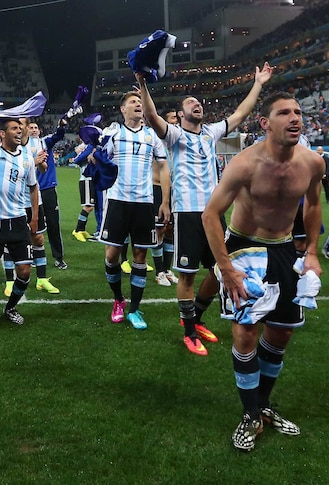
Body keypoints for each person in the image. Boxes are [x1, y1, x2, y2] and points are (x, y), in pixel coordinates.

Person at [201, 92, 325, 451]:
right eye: (284, 112)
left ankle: (264, 405)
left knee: (282, 334)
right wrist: (225, 267)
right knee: (245, 335)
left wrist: (313, 251)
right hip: (244, 247)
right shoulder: (244, 164)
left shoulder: (313, 162)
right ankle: (249, 413)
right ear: (265, 123)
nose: (294, 118)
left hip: (285, 249)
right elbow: (210, 215)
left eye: (298, 112)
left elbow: (314, 205)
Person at [137, 62, 273, 356]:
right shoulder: (173, 135)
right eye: (190, 102)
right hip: (188, 214)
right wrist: (143, 84)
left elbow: (240, 114)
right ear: (181, 112)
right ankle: (188, 332)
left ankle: (196, 318)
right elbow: (151, 115)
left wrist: (258, 83)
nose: (196, 104)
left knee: (220, 270)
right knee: (186, 276)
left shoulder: (210, 133)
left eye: (198, 102)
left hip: (215, 214)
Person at [96, 91, 170, 329]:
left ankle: (135, 310)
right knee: (111, 256)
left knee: (140, 256)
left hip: (144, 203)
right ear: (122, 109)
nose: (138, 105)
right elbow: (95, 158)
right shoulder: (113, 132)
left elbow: (164, 167)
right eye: (133, 102)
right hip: (117, 200)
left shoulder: (152, 136)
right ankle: (118, 299)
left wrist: (165, 201)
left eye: (140, 102)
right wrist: (93, 156)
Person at [0, 118, 44, 326]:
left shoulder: (27, 159)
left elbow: (33, 187)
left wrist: (34, 218)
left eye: (20, 128)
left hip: (18, 222)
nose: (19, 130)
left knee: (24, 271)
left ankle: (10, 307)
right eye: (14, 128)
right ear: (2, 134)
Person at [26, 119, 68, 271]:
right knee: (31, 225)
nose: (34, 130)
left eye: (36, 127)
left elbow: (58, 135)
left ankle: (59, 257)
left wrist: (62, 125)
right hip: (30, 191)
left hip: (47, 189)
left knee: (53, 224)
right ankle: (30, 255)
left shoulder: (44, 142)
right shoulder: (22, 146)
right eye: (31, 127)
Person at [153, 109, 179, 287]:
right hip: (158, 189)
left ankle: (167, 270)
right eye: (172, 118)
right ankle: (159, 271)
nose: (175, 121)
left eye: (177, 118)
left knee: (171, 231)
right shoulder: (158, 140)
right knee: (159, 231)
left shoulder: (180, 140)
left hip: (176, 190)